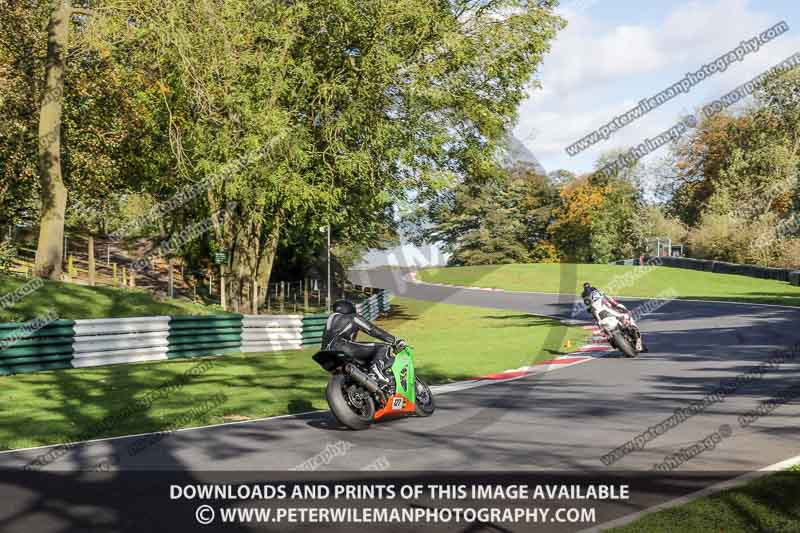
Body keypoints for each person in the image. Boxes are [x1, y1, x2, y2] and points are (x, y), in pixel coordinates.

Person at [321, 299, 406, 380]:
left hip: (324, 355)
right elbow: (372, 330)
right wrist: (394, 340)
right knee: (383, 347)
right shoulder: (353, 317)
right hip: (341, 348)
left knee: (352, 375)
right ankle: (376, 372)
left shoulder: (331, 319)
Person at [581, 282, 647, 352]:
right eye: (586, 287)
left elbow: (612, 302)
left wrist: (620, 307)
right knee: (606, 333)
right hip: (605, 319)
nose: (587, 288)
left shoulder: (598, 293)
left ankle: (637, 339)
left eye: (587, 287)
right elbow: (594, 315)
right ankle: (614, 340)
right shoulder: (586, 298)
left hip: (613, 311)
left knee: (626, 315)